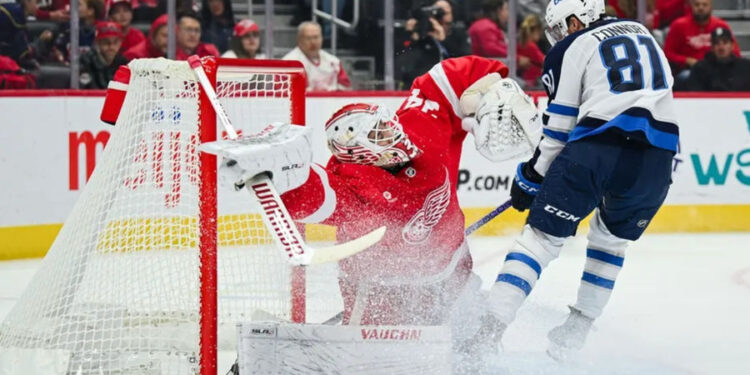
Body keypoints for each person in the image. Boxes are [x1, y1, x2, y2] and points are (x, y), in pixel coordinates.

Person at [203, 55, 540, 373]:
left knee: (474, 351)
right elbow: (313, 194)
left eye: (385, 124)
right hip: (380, 289)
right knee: (373, 365)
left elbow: (446, 78)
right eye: (379, 134)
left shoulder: (418, 126)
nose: (393, 131)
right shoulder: (351, 185)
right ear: (361, 153)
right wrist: (277, 174)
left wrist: (489, 89)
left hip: (453, 271)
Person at [475, 0, 679, 360]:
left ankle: (486, 334)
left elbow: (558, 131)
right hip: (658, 157)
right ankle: (576, 332)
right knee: (611, 242)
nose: (557, 39)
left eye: (558, 29)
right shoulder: (644, 31)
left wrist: (530, 176)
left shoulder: (573, 45)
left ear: (574, 20)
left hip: (598, 148)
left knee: (539, 240)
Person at [397, 0, 471, 87]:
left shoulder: (458, 34)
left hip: (450, 84)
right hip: (423, 83)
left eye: (444, 12)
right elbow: (401, 55)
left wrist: (443, 39)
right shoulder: (424, 33)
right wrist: (409, 35)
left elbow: (465, 60)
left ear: (452, 14)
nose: (440, 15)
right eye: (436, 11)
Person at [663, 0, 740, 76]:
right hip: (689, 70)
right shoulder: (679, 25)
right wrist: (686, 60)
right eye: (697, 5)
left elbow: (735, 51)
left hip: (717, 68)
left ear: (711, 7)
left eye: (704, 5)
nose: (701, 8)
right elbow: (667, 53)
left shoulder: (721, 25)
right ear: (691, 6)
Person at [282, 21, 350, 91]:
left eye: (316, 37)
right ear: (299, 40)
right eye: (308, 38)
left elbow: (346, 88)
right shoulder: (290, 63)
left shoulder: (333, 62)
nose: (313, 42)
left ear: (322, 38)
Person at [681, 27, 750, 91]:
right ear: (712, 47)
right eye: (717, 43)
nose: (721, 47)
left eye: (725, 42)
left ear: (732, 45)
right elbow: (694, 94)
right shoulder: (700, 68)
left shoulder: (746, 66)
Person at [79, 21, 128, 89]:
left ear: (120, 42)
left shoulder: (124, 63)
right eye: (106, 42)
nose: (111, 46)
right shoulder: (85, 62)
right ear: (97, 42)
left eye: (115, 42)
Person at [517, 14, 545, 88]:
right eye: (539, 31)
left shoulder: (520, 44)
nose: (540, 34)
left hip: (527, 80)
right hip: (533, 83)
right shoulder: (530, 46)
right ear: (535, 30)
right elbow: (544, 60)